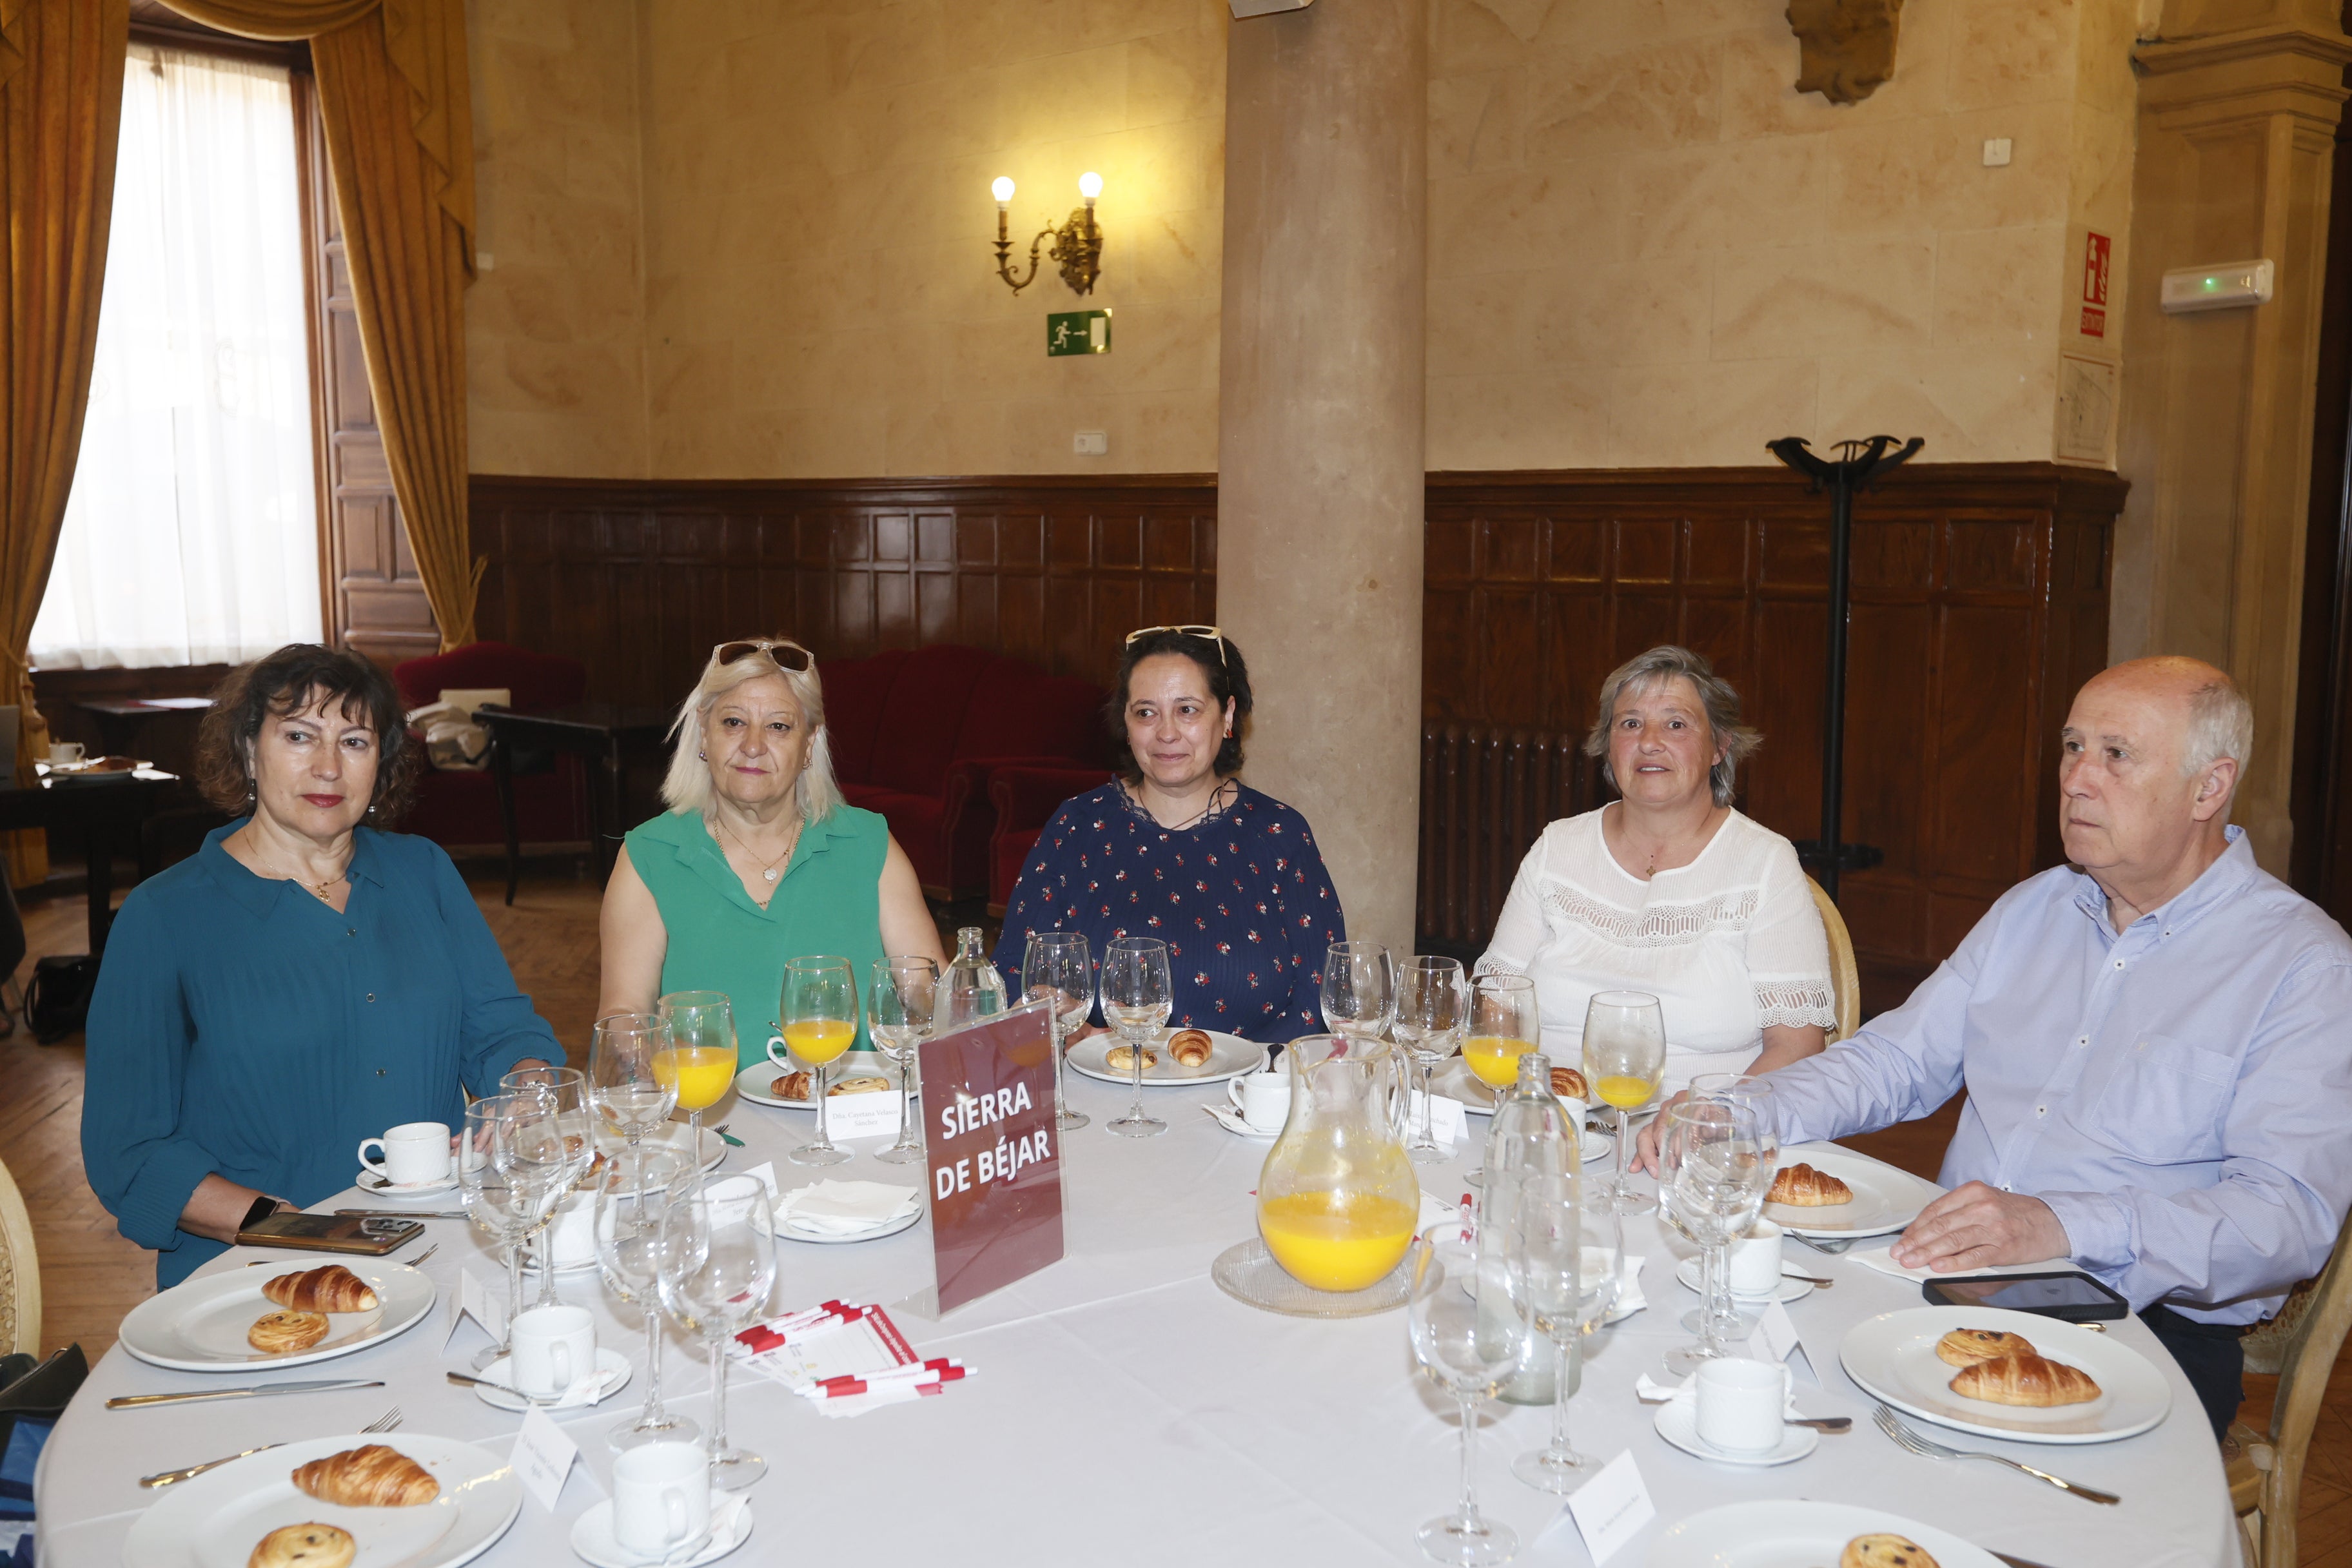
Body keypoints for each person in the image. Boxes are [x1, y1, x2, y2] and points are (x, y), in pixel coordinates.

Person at [1661, 657, 2352, 1439]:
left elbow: (2284, 1218)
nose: (2077, 779)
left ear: (2209, 786)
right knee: (1741, 1380)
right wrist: (1734, 1109)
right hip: (1950, 1279)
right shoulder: (2035, 909)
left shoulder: (2301, 964)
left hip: (2138, 1325)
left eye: (2116, 754)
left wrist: (2064, 1224)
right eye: (2071, 747)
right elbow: (1897, 1060)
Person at [81, 645, 560, 1287]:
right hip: (257, 1272)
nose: (328, 766)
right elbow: (130, 1152)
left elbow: (502, 1030)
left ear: (381, 761)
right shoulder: (164, 916)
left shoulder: (422, 871)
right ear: (249, 749)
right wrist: (298, 1230)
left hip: (437, 1249)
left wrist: (524, 1096)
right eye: (300, 736)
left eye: (355, 741)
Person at [1477, 645, 1833, 1090]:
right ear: (1609, 745)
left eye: (1676, 724)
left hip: (1698, 1133)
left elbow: (1796, 1046)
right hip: (1551, 1117)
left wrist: (1704, 1118)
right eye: (1630, 724)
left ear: (1720, 746)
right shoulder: (1559, 847)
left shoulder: (1764, 863)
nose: (1649, 741)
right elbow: (1495, 1003)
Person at [993, 625, 1344, 1043]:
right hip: (1108, 1092)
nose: (1166, 732)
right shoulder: (1078, 827)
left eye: (1188, 710)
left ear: (1228, 714)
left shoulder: (1280, 834)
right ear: (1126, 721)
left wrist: (1254, 1080)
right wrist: (1061, 1028)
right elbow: (1016, 973)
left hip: (1248, 1096)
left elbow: (1324, 1001)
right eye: (1146, 712)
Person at [600, 637, 943, 1061]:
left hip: (851, 1110)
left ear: (809, 743)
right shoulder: (649, 856)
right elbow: (624, 1014)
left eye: (778, 726)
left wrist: (993, 1018)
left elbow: (929, 992)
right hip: (706, 1119)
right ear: (704, 730)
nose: (753, 745)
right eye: (734, 722)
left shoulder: (868, 843)